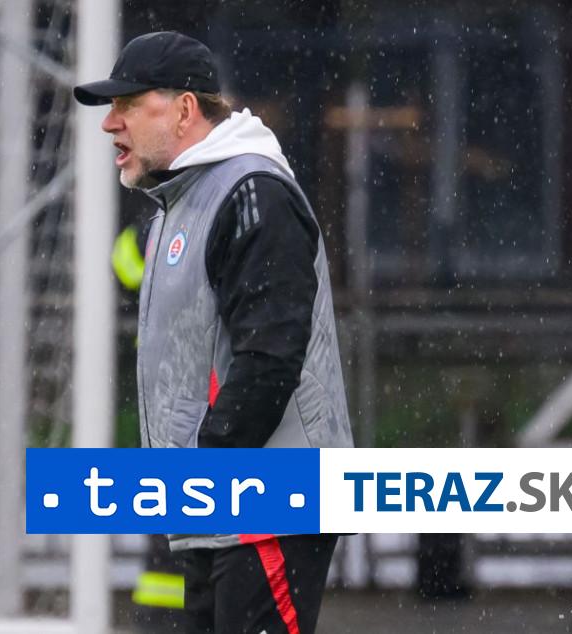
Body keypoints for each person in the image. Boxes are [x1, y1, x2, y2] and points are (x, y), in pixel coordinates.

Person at [74, 31, 354, 634]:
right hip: (216, 502)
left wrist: (208, 466)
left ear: (184, 110)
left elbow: (270, 357)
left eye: (128, 105)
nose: (110, 124)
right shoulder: (182, 202)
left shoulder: (252, 192)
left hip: (265, 502)